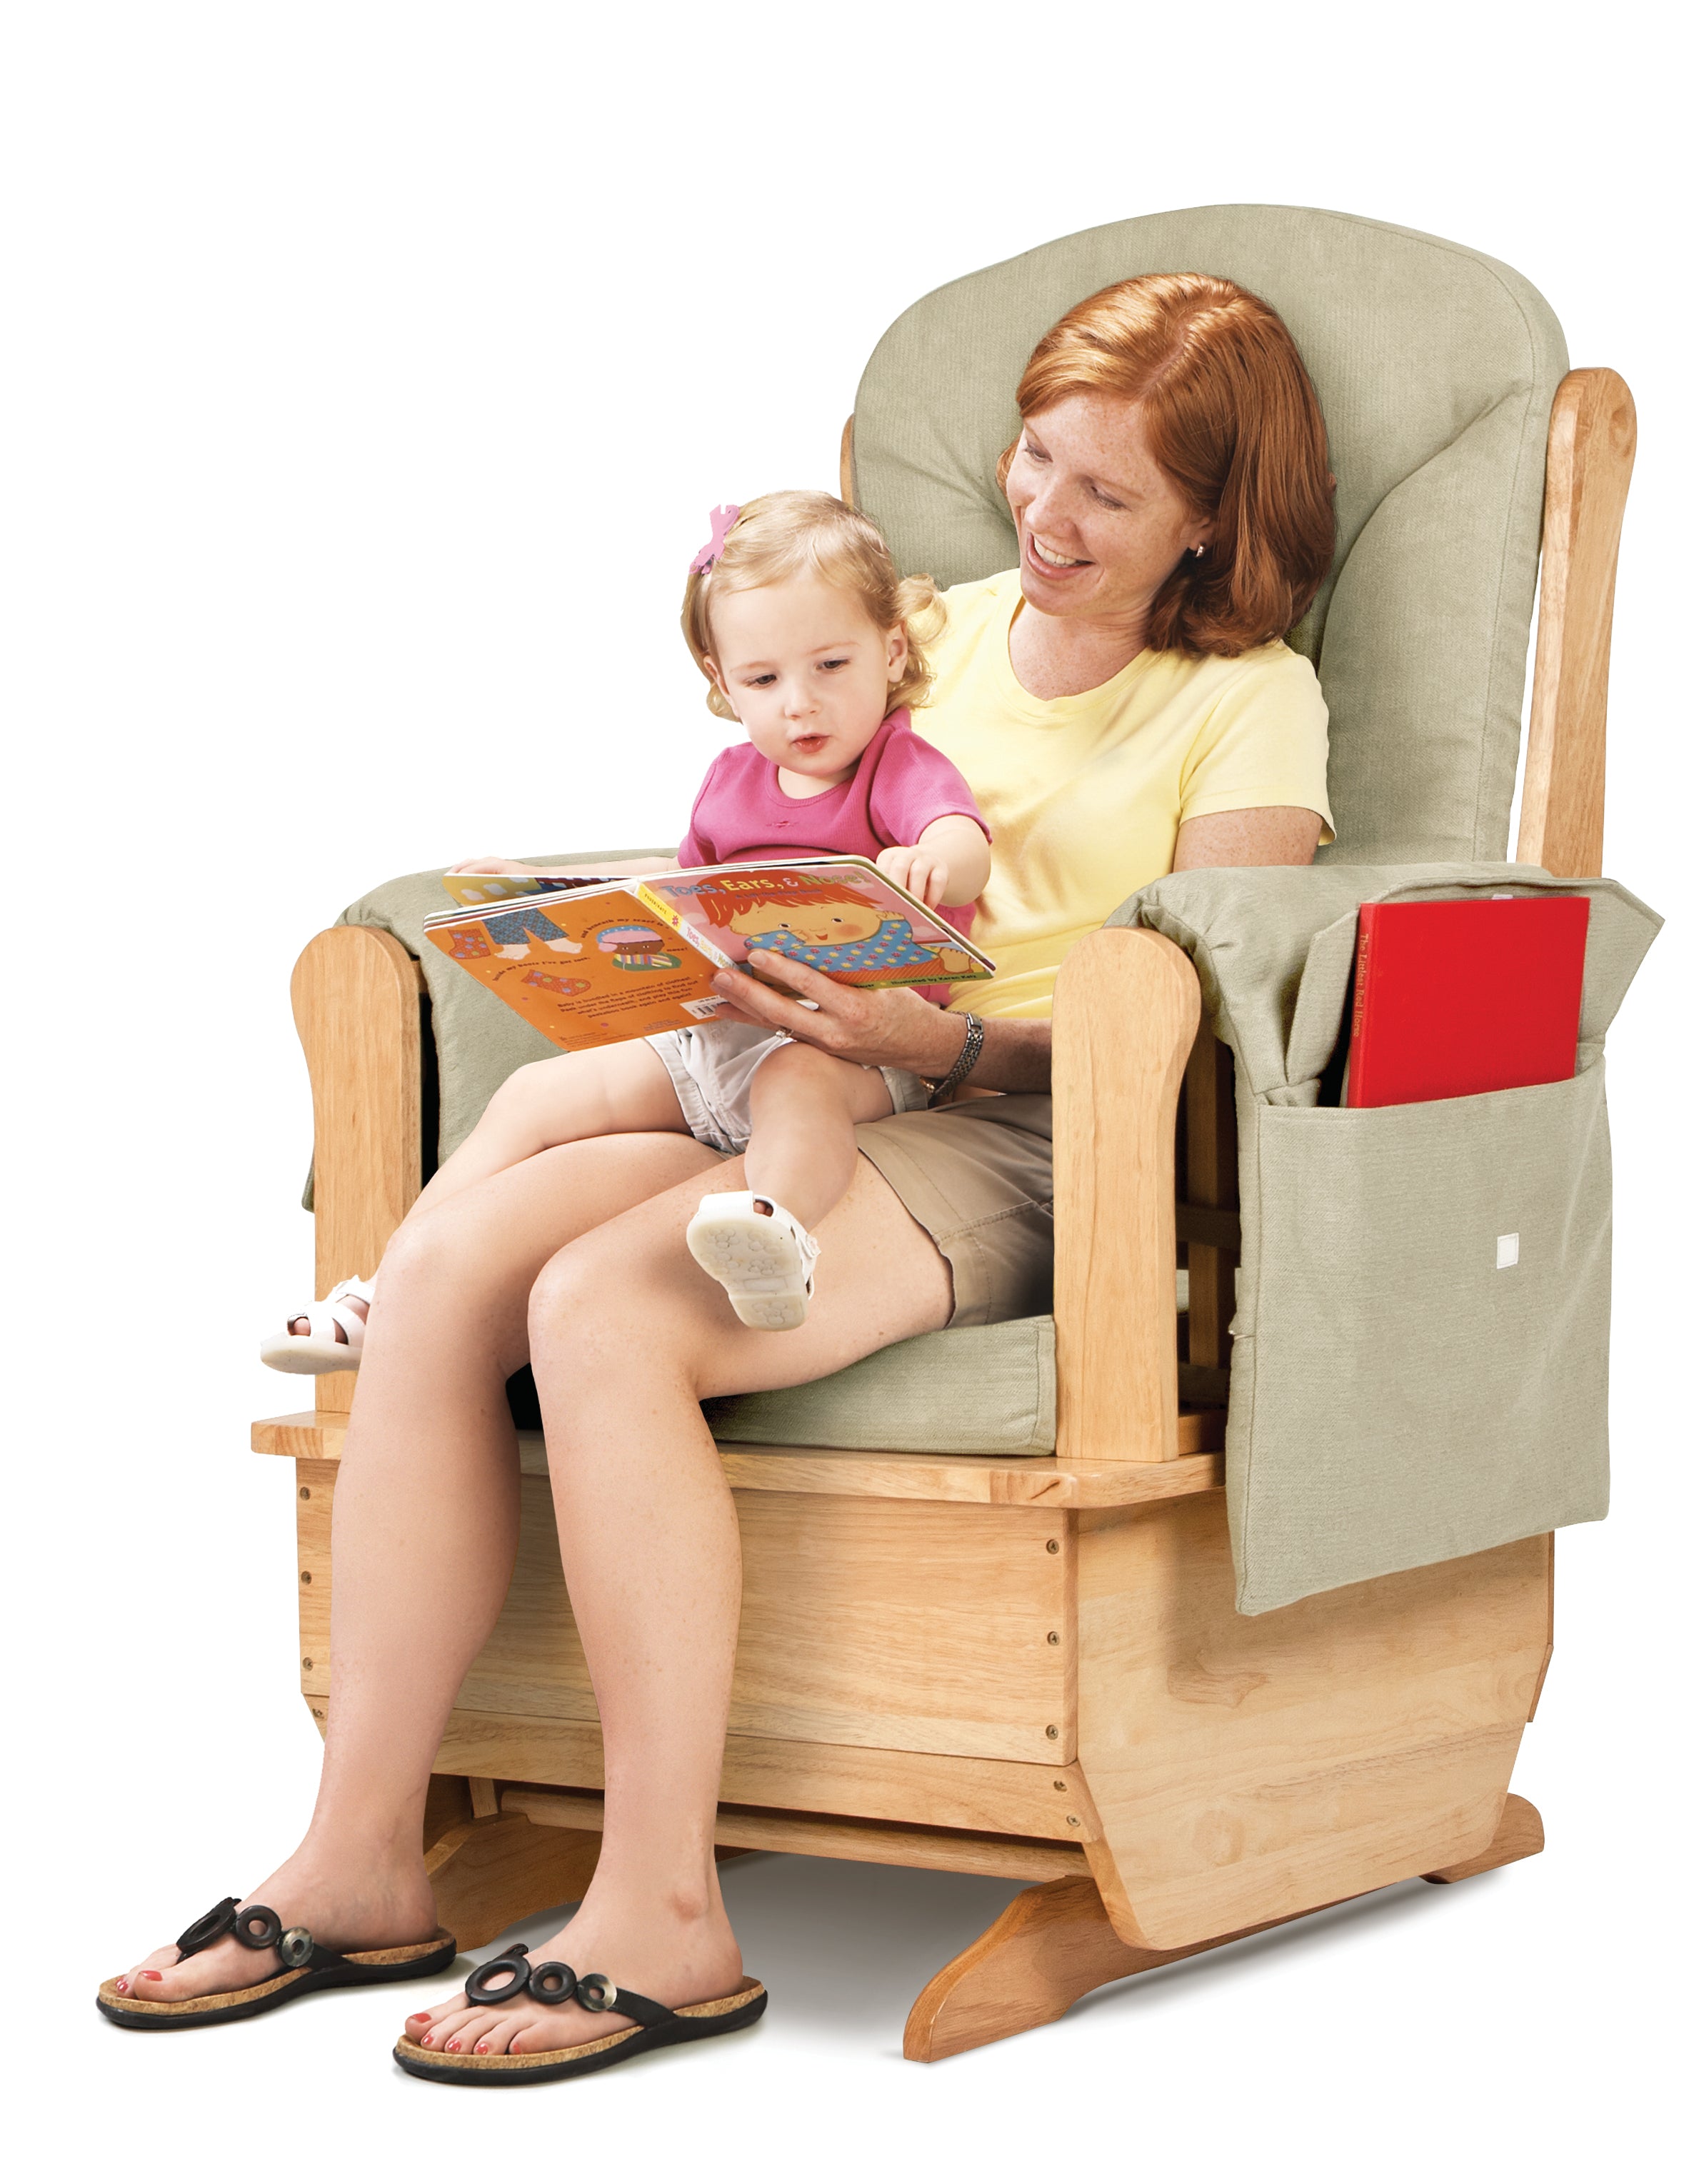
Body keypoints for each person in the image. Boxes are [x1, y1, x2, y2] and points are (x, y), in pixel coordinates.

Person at [104, 270, 1336, 2082]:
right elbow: (777, 801)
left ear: (1211, 521)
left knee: (604, 1302)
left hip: (1024, 1122)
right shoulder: (920, 630)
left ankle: (663, 1908)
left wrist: (943, 1046)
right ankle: (362, 1850)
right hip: (787, 1068)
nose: (1046, 516)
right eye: (1036, 459)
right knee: (442, 1273)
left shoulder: (1248, 699)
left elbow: (1223, 1013)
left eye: (1110, 493)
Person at [261, 492, 991, 1348]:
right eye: (763, 680)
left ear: (891, 649)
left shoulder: (897, 764)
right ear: (722, 682)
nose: (799, 703)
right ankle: (381, 1292)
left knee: (797, 1085)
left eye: (831, 665)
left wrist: (932, 859)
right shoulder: (730, 778)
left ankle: (775, 1232)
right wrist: (541, 884)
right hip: (719, 1038)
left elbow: (964, 839)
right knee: (532, 1094)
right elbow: (680, 884)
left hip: (853, 1051)